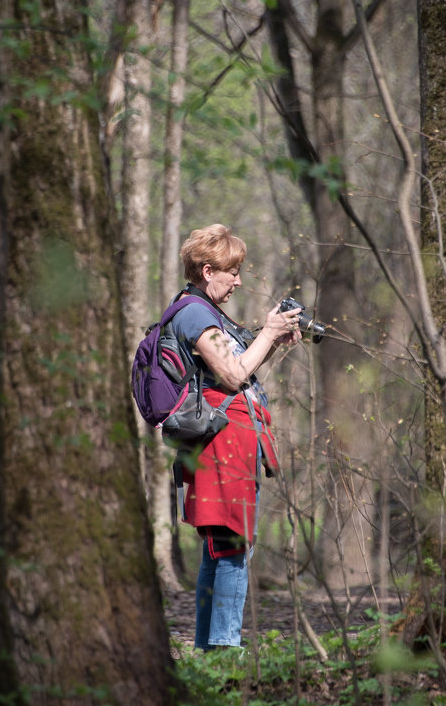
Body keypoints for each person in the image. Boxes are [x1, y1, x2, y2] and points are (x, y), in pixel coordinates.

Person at [168, 224, 301, 651]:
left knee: (219, 545)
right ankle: (224, 646)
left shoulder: (206, 313)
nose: (239, 280)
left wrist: (274, 339)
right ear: (208, 271)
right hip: (222, 440)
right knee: (230, 542)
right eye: (233, 271)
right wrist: (267, 330)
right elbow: (233, 374)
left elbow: (236, 369)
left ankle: (209, 648)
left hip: (226, 435)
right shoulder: (194, 313)